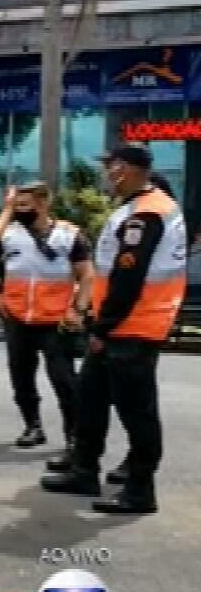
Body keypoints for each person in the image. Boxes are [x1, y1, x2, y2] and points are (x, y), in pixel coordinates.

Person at [41, 144, 187, 514]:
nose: (108, 174)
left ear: (125, 169)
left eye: (111, 167)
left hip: (133, 327)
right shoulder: (139, 208)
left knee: (137, 411)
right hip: (120, 325)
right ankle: (84, 470)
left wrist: (102, 328)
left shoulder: (149, 213)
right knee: (90, 398)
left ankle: (140, 489)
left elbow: (127, 278)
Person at [0, 182, 93, 462]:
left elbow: (87, 275)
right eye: (17, 206)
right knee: (21, 378)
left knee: (64, 380)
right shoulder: (9, 235)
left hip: (56, 320)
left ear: (43, 203)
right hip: (17, 318)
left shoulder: (69, 234)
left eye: (25, 205)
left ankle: (74, 435)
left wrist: (79, 309)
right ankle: (32, 426)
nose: (19, 210)